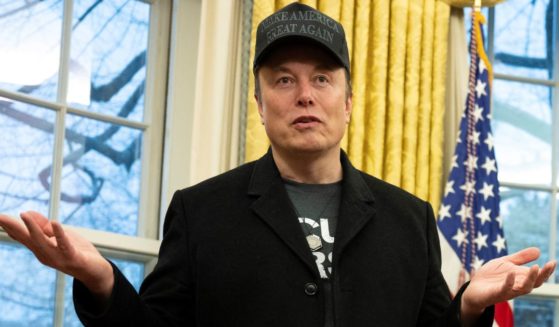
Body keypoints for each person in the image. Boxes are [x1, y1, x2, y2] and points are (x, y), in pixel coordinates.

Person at [0, 3, 556, 326]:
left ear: (349, 100)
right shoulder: (200, 212)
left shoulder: (409, 218)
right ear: (260, 104)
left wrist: (468, 309)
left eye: (322, 78)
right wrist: (102, 283)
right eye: (283, 80)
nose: (304, 95)